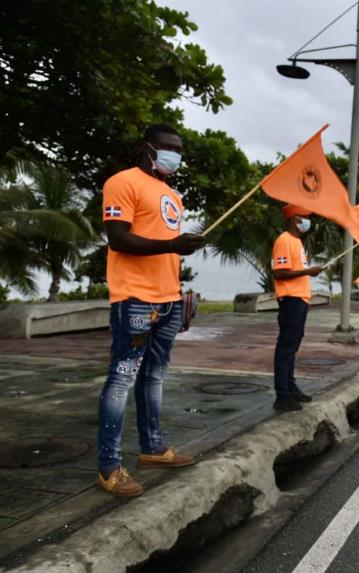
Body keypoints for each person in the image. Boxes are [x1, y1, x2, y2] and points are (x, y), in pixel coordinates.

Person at [97, 123, 206, 497]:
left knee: (155, 375)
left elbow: (167, 245)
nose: (174, 154)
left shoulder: (173, 196)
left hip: (169, 299)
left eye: (179, 149)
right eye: (167, 147)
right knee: (122, 377)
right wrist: (173, 246)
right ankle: (109, 466)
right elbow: (119, 237)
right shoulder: (122, 182)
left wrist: (179, 275)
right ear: (148, 148)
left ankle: (153, 448)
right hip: (135, 299)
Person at [271, 204, 324, 412]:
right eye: (304, 217)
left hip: (299, 299)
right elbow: (279, 273)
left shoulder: (296, 241)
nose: (307, 221)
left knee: (292, 347)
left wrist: (308, 272)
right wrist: (308, 271)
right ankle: (282, 395)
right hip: (290, 299)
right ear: (294, 218)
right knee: (286, 348)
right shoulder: (284, 240)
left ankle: (291, 388)